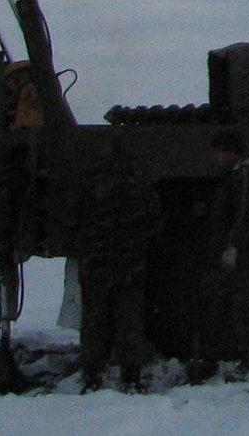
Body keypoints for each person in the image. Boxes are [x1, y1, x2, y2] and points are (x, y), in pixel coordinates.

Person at [75, 144, 162, 390]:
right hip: (129, 265)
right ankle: (131, 376)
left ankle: (92, 375)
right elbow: (154, 222)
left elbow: (74, 218)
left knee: (95, 319)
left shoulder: (90, 187)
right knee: (129, 320)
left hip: (96, 265)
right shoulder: (139, 188)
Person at [194, 129, 249, 383]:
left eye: (219, 152)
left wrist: (234, 246)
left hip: (246, 255)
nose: (216, 157)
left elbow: (245, 214)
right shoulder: (240, 175)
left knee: (248, 308)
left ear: (230, 152)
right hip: (245, 253)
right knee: (243, 308)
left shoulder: (246, 176)